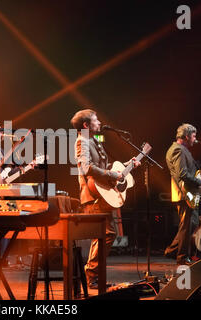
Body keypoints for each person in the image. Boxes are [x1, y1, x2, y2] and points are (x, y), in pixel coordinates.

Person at [71, 109, 140, 289]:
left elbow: (105, 168)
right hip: (92, 195)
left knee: (106, 235)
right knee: (105, 235)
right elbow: (87, 168)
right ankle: (91, 275)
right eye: (96, 120)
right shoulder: (82, 141)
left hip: (100, 194)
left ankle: (94, 277)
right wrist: (111, 173)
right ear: (86, 125)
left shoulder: (93, 140)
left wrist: (127, 165)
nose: (100, 123)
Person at [164, 123, 201, 265]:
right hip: (184, 194)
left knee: (190, 224)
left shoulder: (181, 149)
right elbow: (183, 174)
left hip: (188, 193)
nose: (195, 139)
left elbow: (188, 173)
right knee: (187, 226)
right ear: (186, 136)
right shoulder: (178, 150)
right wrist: (200, 182)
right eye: (193, 136)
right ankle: (182, 257)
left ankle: (172, 251)